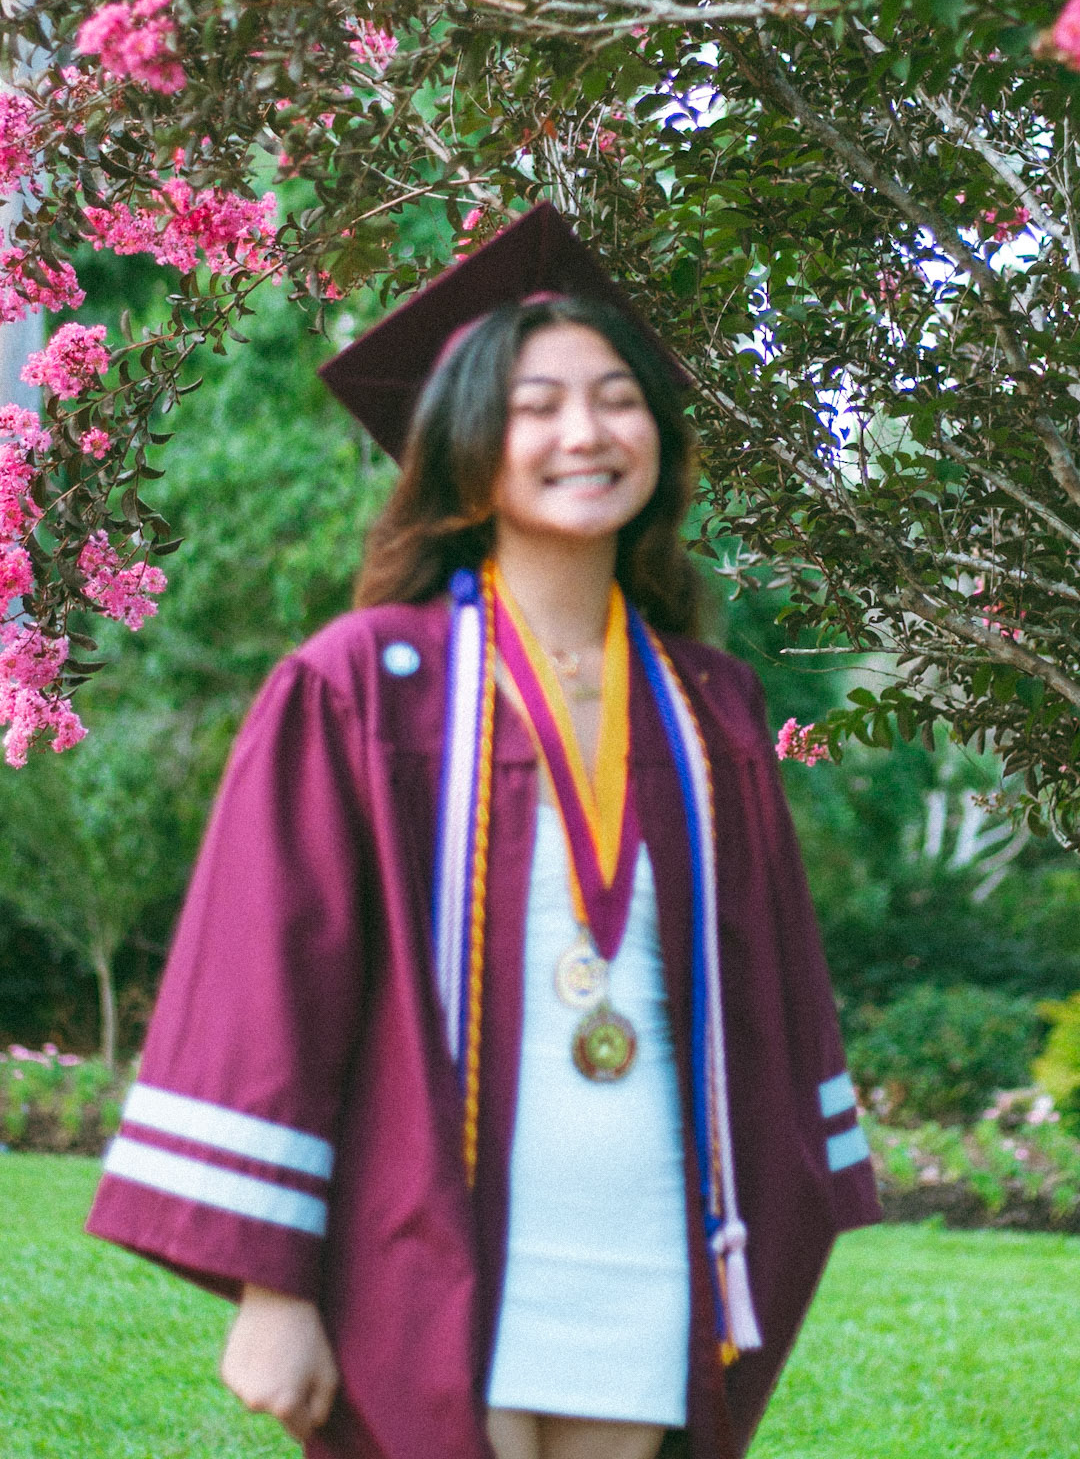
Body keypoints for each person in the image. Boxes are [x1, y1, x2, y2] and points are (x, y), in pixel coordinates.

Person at [87, 204, 879, 1459]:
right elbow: (271, 979)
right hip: (430, 1238)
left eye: (618, 398)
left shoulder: (708, 705)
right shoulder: (367, 682)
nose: (586, 432)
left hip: (643, 1231)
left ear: (661, 437)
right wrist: (270, 1288)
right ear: (465, 448)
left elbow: (770, 999)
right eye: (535, 405)